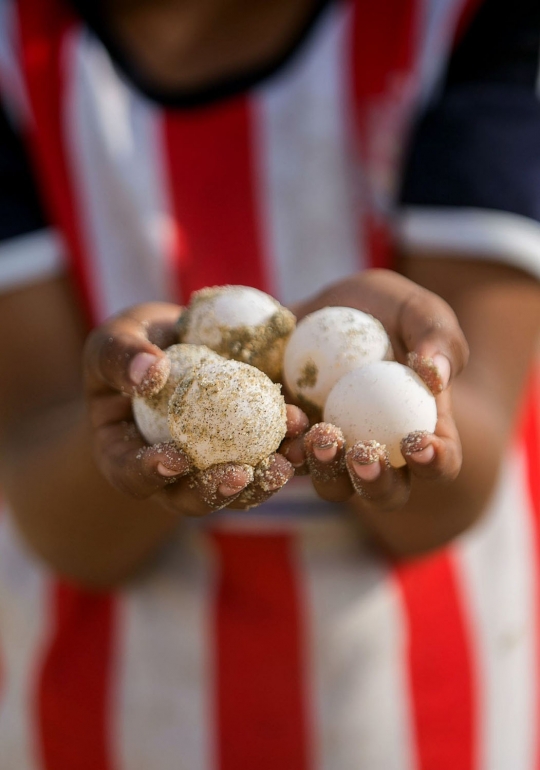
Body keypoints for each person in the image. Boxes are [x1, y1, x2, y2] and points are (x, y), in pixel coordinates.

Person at [0, 0, 539, 767]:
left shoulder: (449, 21)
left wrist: (410, 410)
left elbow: (460, 459)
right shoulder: (17, 55)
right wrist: (125, 427)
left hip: (410, 707)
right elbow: (50, 504)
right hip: (115, 713)